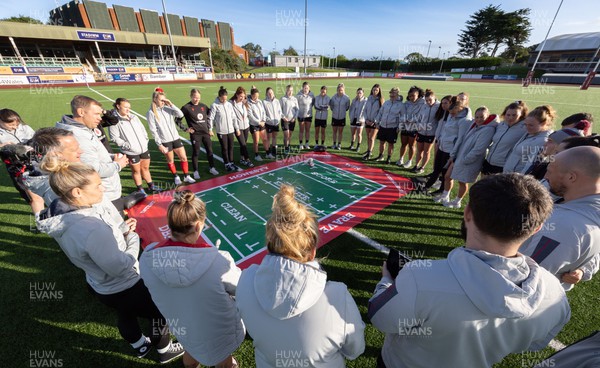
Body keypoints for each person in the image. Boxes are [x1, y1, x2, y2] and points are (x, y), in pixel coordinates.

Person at [369, 173, 570, 368]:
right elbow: (535, 343)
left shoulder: (419, 277)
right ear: (537, 228)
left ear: (467, 214)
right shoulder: (555, 292)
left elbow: (381, 319)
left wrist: (386, 282)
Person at [36, 158, 184, 364]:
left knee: (125, 314)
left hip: (100, 285)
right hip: (126, 285)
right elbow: (120, 267)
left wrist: (121, 230)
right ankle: (164, 350)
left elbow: (92, 247)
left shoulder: (61, 214)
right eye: (97, 185)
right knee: (159, 312)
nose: (102, 188)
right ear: (77, 192)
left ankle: (140, 345)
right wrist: (132, 238)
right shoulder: (90, 227)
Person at [236, 184, 365, 367]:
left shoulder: (245, 280)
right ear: (312, 252)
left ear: (269, 244)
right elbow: (355, 350)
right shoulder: (336, 297)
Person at [140, 190, 245, 368]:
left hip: (182, 325)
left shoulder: (147, 256)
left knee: (191, 349)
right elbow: (240, 288)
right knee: (223, 360)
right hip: (216, 330)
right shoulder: (219, 260)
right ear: (197, 225)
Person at [520, 146, 600, 291]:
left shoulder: (564, 226)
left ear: (571, 177)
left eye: (550, 171)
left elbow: (524, 278)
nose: (546, 177)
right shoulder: (588, 211)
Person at [56, 95, 133, 211]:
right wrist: (118, 164)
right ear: (81, 112)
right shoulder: (78, 137)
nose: (100, 118)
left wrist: (111, 157)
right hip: (104, 195)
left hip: (104, 192)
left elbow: (93, 155)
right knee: (116, 226)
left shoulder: (82, 129)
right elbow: (94, 170)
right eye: (96, 114)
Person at [445, 107, 498, 208]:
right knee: (453, 177)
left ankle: (457, 201)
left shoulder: (488, 130)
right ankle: (451, 198)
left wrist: (465, 160)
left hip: (469, 161)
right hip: (461, 157)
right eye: (477, 117)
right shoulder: (475, 125)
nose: (479, 119)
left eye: (482, 117)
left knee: (463, 181)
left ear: (487, 116)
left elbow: (478, 149)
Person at [109, 98, 161, 194]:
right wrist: (128, 146)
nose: (128, 109)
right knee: (136, 171)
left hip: (143, 148)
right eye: (125, 107)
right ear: (118, 106)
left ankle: (151, 186)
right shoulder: (114, 121)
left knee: (145, 168)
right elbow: (114, 138)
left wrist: (145, 140)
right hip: (131, 151)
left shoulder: (134, 117)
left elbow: (142, 129)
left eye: (129, 107)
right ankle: (140, 189)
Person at [146, 88, 195, 186]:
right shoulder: (151, 113)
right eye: (161, 100)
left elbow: (180, 114)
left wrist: (171, 104)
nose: (163, 102)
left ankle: (186, 175)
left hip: (176, 138)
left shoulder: (167, 108)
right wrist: (159, 144)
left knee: (184, 157)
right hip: (165, 141)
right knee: (170, 160)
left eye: (164, 100)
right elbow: (153, 130)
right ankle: (176, 176)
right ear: (155, 99)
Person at [0, 108, 44, 214]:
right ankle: (34, 204)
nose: (15, 127)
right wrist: (3, 146)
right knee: (24, 189)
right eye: (11, 125)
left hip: (34, 161)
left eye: (16, 123)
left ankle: (43, 199)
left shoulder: (25, 128)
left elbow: (36, 140)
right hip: (15, 166)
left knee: (42, 182)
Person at [432, 97, 470, 204]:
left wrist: (453, 154)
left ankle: (449, 197)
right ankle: (445, 195)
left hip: (452, 152)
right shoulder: (451, 116)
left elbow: (460, 139)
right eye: (450, 113)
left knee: (448, 175)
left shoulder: (464, 121)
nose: (451, 115)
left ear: (460, 110)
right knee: (444, 174)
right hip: (443, 147)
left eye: (453, 113)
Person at [504, 105, 555, 174]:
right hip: (509, 175)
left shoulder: (542, 141)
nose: (527, 127)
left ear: (543, 123)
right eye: (526, 124)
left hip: (516, 179)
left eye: (531, 125)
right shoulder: (530, 133)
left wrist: (521, 181)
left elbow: (531, 165)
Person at [481, 101, 528, 176]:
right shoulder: (501, 125)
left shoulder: (524, 129)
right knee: (481, 187)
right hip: (488, 162)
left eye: (514, 115)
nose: (510, 118)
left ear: (521, 115)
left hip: (502, 167)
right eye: (508, 115)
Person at [181, 88, 219, 177]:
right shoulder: (186, 107)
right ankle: (195, 171)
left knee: (210, 151)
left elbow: (211, 115)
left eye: (198, 97)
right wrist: (185, 129)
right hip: (195, 134)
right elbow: (177, 119)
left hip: (206, 133)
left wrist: (210, 129)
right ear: (190, 96)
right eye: (194, 97)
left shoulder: (203, 106)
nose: (197, 99)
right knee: (196, 152)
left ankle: (212, 168)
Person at [419, 94, 452, 193]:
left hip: (449, 147)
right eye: (442, 103)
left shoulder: (454, 116)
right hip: (440, 142)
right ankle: (428, 186)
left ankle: (442, 190)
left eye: (446, 103)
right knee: (437, 167)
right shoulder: (443, 113)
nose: (443, 105)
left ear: (451, 103)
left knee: (445, 170)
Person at [210, 86, 242, 172]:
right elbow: (211, 118)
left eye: (225, 99)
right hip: (221, 131)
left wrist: (237, 129)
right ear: (219, 97)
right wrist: (210, 129)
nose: (224, 100)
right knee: (225, 148)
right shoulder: (214, 105)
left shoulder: (229, 105)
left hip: (231, 130)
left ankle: (231, 162)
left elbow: (234, 117)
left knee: (231, 147)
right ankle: (226, 163)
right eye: (223, 99)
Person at [412, 89, 440, 173]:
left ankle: (422, 167)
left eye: (430, 100)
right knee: (419, 150)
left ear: (434, 98)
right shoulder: (424, 106)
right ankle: (416, 165)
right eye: (427, 100)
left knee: (426, 151)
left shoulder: (439, 106)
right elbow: (419, 117)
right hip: (421, 132)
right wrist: (417, 126)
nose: (428, 102)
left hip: (431, 133)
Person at [373, 87, 403, 164]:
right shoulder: (386, 103)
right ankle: (381, 156)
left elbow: (402, 117)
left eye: (394, 93)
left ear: (397, 94)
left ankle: (388, 158)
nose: (392, 95)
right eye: (391, 93)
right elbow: (380, 113)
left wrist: (399, 127)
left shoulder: (401, 105)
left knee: (390, 144)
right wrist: (377, 122)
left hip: (392, 127)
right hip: (383, 126)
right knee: (382, 142)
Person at [397, 86, 425, 168]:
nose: (411, 97)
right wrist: (404, 119)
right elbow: (402, 113)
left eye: (413, 95)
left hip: (414, 127)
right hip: (405, 126)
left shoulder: (422, 103)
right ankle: (401, 159)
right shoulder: (406, 103)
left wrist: (412, 120)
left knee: (411, 145)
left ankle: (409, 161)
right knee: (403, 144)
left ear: (418, 95)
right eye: (410, 96)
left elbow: (421, 115)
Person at [230, 86, 254, 167]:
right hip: (238, 128)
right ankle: (247, 159)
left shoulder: (244, 103)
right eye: (241, 96)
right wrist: (236, 129)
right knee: (243, 144)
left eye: (244, 96)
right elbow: (233, 118)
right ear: (236, 95)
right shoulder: (232, 104)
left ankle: (242, 158)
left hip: (246, 126)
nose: (242, 98)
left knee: (243, 144)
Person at [362, 84, 384, 160]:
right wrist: (366, 119)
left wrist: (374, 121)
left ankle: (369, 153)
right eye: (373, 90)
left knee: (371, 138)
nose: (375, 91)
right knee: (368, 137)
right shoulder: (368, 98)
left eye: (376, 90)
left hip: (375, 123)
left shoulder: (380, 100)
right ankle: (369, 150)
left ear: (379, 91)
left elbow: (381, 112)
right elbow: (364, 110)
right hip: (367, 121)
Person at [248, 86, 270, 161]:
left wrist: (263, 121)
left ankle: (268, 153)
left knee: (265, 139)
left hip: (262, 123)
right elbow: (250, 115)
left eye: (257, 96)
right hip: (254, 125)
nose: (256, 97)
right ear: (251, 95)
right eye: (255, 96)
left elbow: (263, 111)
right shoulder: (249, 103)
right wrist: (258, 122)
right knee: (256, 141)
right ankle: (256, 155)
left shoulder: (260, 101)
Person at [329, 83, 351, 150]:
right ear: (337, 90)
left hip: (342, 117)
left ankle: (339, 144)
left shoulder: (347, 98)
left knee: (340, 132)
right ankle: (334, 144)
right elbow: (331, 107)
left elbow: (347, 107)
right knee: (334, 132)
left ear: (344, 90)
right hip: (334, 117)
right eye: (339, 90)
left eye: (341, 90)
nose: (340, 91)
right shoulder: (333, 97)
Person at [263, 86, 282, 159]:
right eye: (269, 93)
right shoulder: (264, 102)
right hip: (269, 123)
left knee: (275, 136)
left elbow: (279, 111)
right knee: (268, 138)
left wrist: (278, 118)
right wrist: (268, 120)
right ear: (266, 94)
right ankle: (268, 152)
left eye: (271, 92)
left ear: (273, 93)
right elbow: (263, 113)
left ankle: (274, 149)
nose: (270, 94)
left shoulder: (277, 101)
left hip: (276, 122)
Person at [280, 85, 299, 153]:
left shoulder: (294, 99)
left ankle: (288, 145)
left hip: (292, 120)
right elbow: (279, 110)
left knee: (290, 135)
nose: (290, 92)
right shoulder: (282, 99)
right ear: (286, 90)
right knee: (286, 135)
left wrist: (294, 118)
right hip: (285, 120)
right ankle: (286, 148)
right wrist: (283, 117)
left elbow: (297, 110)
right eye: (289, 90)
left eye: (291, 90)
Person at [296, 81, 314, 150]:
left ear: (309, 88)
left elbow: (312, 104)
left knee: (307, 130)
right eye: (304, 88)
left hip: (309, 116)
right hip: (301, 115)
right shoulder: (299, 95)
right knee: (301, 130)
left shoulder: (312, 95)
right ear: (302, 88)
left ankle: (306, 143)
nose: (306, 89)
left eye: (307, 88)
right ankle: (301, 144)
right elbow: (296, 104)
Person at [348, 87, 367, 151]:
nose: (359, 94)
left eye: (360, 93)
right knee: (353, 133)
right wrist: (351, 116)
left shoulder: (365, 101)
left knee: (359, 134)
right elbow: (351, 109)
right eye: (358, 93)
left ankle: (358, 146)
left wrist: (363, 118)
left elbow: (365, 111)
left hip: (360, 120)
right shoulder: (354, 100)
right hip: (354, 118)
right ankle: (352, 145)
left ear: (363, 93)